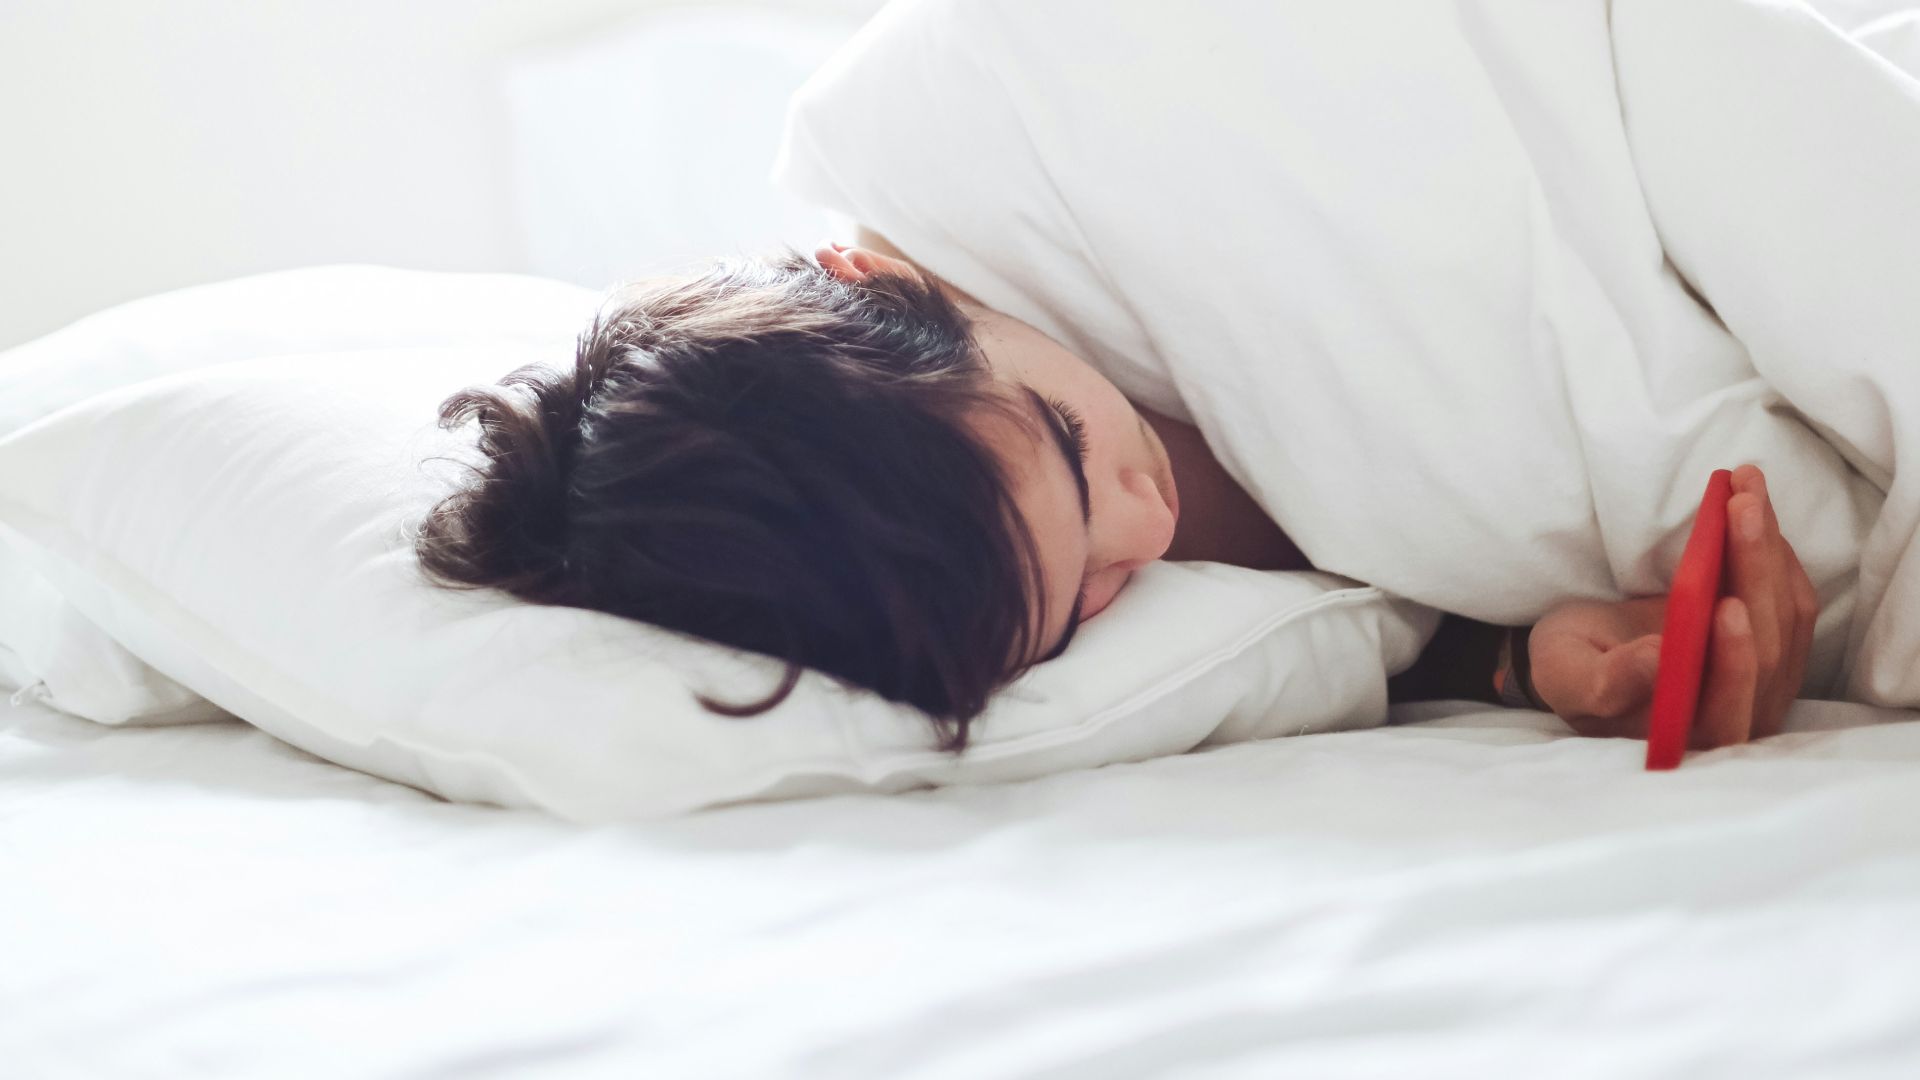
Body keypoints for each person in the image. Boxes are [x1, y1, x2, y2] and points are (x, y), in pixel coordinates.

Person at [417, 228, 1819, 757]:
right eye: (1086, 597)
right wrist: (1514, 657)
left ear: (884, 279)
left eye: (1074, 452)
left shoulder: (1020, 183)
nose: (1147, 532)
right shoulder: (938, 556)